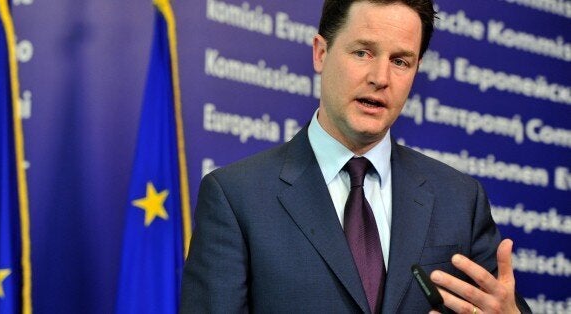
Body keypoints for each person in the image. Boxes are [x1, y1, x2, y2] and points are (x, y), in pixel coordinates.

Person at [181, 0, 531, 313]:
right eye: (363, 52)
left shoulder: (460, 199)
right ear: (321, 52)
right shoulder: (236, 198)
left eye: (400, 61)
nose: (380, 78)